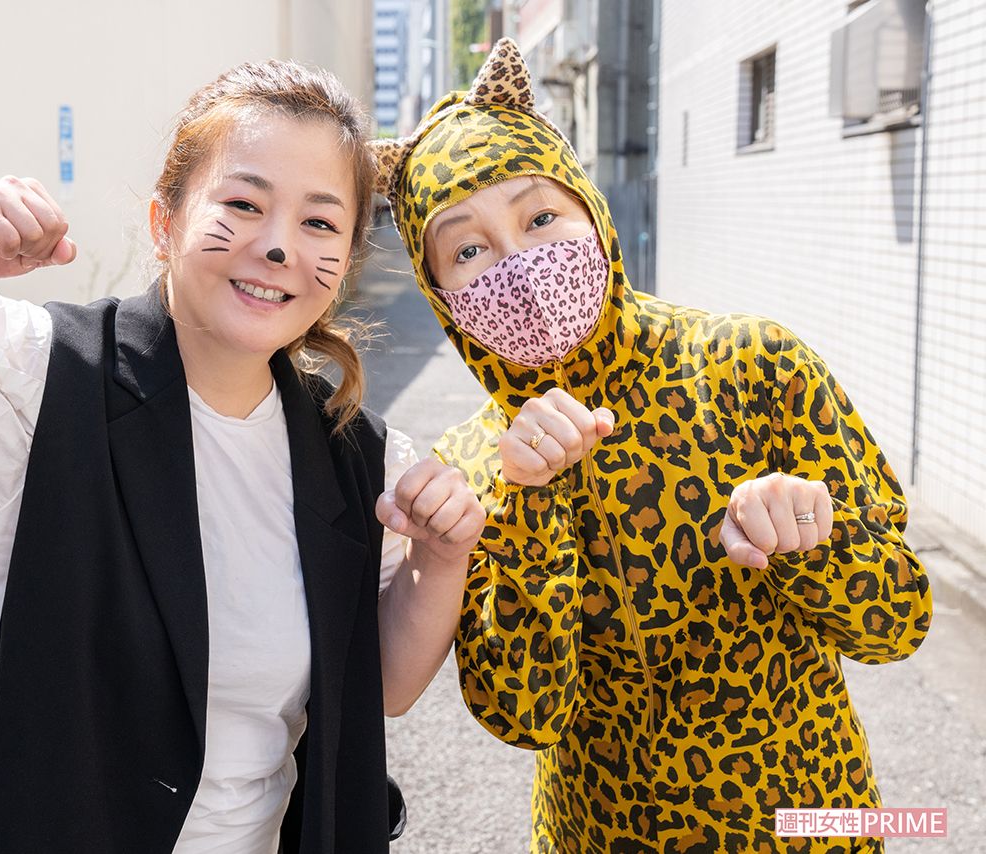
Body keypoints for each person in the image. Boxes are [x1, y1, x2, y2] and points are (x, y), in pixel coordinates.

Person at [0, 59, 486, 854]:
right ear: (165, 221)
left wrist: (442, 557)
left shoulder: (348, 452)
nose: (277, 247)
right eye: (243, 204)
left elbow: (380, 688)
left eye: (319, 223)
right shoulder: (33, 383)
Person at [370, 39, 932, 854]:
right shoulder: (471, 463)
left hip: (813, 819)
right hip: (598, 834)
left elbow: (901, 619)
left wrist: (815, 537)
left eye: (539, 217)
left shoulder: (752, 365)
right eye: (467, 249)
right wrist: (531, 507)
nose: (520, 263)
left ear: (591, 213)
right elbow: (522, 715)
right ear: (440, 297)